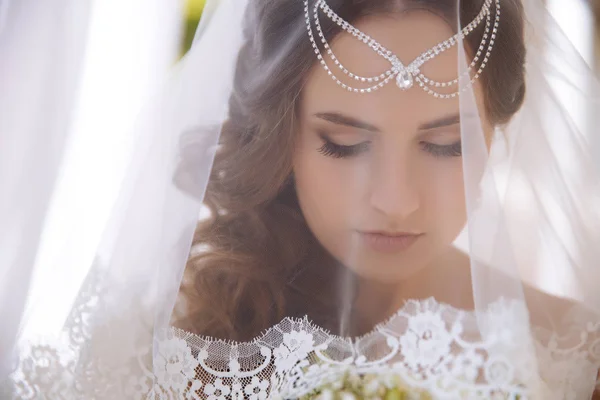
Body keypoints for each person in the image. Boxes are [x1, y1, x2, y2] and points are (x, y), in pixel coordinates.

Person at [3, 0, 600, 398]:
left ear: (497, 128)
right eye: (344, 144)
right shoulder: (164, 348)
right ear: (280, 133)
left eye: (447, 145)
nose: (396, 201)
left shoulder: (573, 358)